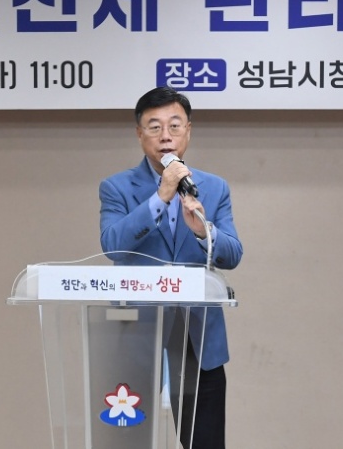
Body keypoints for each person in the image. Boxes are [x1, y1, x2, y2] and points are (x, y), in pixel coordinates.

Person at [99, 86, 243, 448]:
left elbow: (232, 254)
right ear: (139, 134)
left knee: (205, 442)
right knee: (128, 441)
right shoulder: (116, 187)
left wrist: (203, 232)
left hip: (199, 340)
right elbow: (112, 245)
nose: (166, 136)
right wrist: (161, 196)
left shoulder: (213, 188)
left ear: (188, 131)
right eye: (155, 127)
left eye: (175, 126)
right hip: (137, 339)